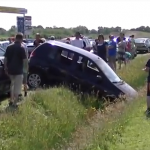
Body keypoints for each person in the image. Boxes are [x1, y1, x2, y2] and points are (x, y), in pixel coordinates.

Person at [4, 33, 28, 108]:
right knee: (17, 87)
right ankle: (14, 103)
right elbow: (25, 61)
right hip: (18, 70)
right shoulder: (21, 48)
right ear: (21, 39)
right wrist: (25, 70)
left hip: (10, 70)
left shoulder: (9, 47)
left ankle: (11, 100)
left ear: (15, 38)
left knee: (12, 85)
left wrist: (5, 67)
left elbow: (5, 59)